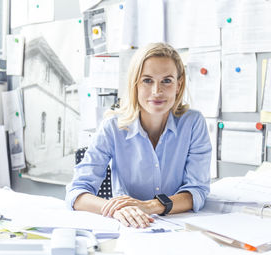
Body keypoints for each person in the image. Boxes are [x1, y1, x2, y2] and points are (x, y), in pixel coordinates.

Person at [66, 43, 212, 228]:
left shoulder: (193, 123)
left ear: (178, 85)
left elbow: (197, 191)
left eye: (167, 80)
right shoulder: (113, 126)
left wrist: (151, 206)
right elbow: (76, 192)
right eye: (147, 80)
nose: (156, 91)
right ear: (135, 84)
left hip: (179, 225)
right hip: (128, 227)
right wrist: (117, 209)